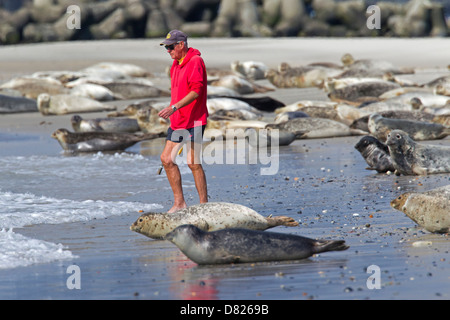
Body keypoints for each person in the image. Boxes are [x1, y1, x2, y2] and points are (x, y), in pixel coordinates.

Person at [158, 30, 209, 213]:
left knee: (193, 162)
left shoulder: (195, 61)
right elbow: (178, 92)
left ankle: (204, 206)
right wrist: (172, 110)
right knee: (166, 159)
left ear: (181, 45)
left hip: (195, 119)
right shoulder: (175, 65)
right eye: (167, 47)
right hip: (178, 121)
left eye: (171, 47)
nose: (169, 51)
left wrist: (174, 107)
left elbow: (196, 91)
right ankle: (179, 203)